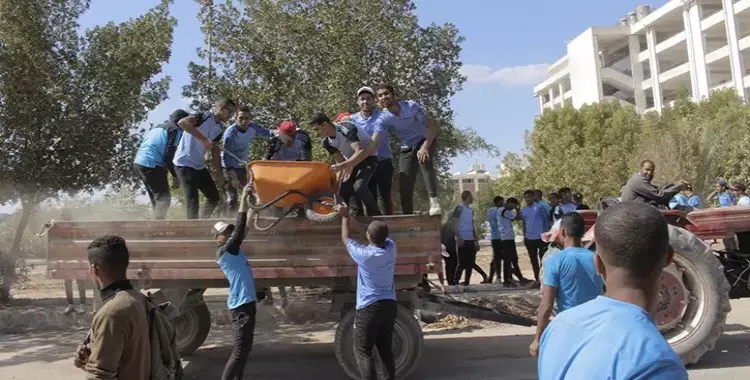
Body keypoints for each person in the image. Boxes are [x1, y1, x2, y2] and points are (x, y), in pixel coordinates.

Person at [537, 202, 688, 379]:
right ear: (669, 258)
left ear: (598, 264)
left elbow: (546, 303)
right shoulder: (657, 364)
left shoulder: (557, 327)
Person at [336, 84, 441, 216]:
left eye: (386, 94)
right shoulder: (383, 118)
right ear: (378, 100)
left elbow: (431, 128)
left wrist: (425, 147)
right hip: (407, 146)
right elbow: (373, 144)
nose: (384, 97)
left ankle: (434, 202)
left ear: (393, 94)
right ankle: (407, 215)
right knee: (405, 183)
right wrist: (351, 163)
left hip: (425, 139)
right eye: (380, 96)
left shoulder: (411, 106)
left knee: (424, 161)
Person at [74, 235, 150, 379]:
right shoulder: (138, 299)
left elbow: (101, 377)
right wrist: (92, 361)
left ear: (94, 269)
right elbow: (130, 358)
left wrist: (96, 368)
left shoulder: (112, 313)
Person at [336, 203, 397, 380]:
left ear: (368, 236)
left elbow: (346, 238)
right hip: (389, 305)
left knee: (363, 351)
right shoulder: (391, 248)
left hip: (370, 308)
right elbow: (372, 234)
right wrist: (347, 215)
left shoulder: (365, 255)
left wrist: (345, 217)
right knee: (385, 349)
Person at [529, 212, 603, 357]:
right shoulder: (597, 259)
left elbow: (546, 305)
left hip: (569, 328)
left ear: (562, 231)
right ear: (583, 233)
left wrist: (537, 339)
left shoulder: (555, 261)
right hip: (596, 327)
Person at [214, 184, 259, 380]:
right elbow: (240, 230)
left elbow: (244, 229)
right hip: (241, 306)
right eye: (226, 232)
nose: (229, 234)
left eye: (229, 231)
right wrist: (242, 199)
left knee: (246, 349)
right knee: (240, 350)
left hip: (247, 303)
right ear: (217, 238)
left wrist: (253, 206)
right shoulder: (225, 251)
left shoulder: (235, 249)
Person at [174, 98, 237, 219]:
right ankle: (192, 232)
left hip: (198, 166)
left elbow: (215, 150)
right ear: (222, 109)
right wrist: (203, 139)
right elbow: (182, 123)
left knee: (213, 197)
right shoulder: (203, 117)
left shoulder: (219, 129)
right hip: (184, 164)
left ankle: (202, 222)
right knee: (193, 200)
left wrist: (219, 172)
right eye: (230, 112)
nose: (231, 116)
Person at [309, 112, 381, 217]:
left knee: (359, 187)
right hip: (350, 161)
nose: (316, 134)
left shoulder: (346, 128)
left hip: (367, 157)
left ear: (325, 124)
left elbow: (359, 151)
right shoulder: (325, 141)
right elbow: (340, 160)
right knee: (343, 190)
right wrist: (338, 179)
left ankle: (376, 214)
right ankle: (354, 215)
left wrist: (344, 166)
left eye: (317, 129)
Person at [133, 109, 189, 219]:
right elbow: (169, 155)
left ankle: (155, 226)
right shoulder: (175, 130)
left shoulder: (158, 127)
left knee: (157, 199)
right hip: (152, 164)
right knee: (164, 198)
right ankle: (156, 230)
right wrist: (175, 175)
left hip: (139, 163)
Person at [221, 105, 271, 216]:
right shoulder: (230, 133)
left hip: (243, 165)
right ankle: (228, 221)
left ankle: (249, 220)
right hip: (229, 167)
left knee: (250, 194)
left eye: (246, 118)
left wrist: (281, 132)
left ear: (250, 119)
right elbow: (226, 156)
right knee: (232, 197)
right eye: (241, 118)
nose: (244, 121)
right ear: (236, 118)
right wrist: (232, 177)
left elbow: (268, 133)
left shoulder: (252, 126)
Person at [351, 87, 394, 215]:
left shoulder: (382, 116)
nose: (365, 101)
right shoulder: (352, 119)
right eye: (362, 99)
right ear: (358, 102)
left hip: (383, 160)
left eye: (368, 99)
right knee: (370, 194)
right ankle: (374, 228)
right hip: (366, 163)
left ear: (374, 101)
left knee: (385, 195)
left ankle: (389, 225)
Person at [450, 191, 487, 288]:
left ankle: (467, 283)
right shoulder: (459, 208)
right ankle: (455, 284)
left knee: (470, 263)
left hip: (470, 239)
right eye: (471, 196)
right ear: (466, 197)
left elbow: (472, 225)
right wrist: (459, 237)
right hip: (462, 239)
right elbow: (453, 223)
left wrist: (476, 241)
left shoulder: (470, 210)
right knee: (461, 263)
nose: (472, 198)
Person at [496, 198, 533, 287]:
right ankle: (507, 280)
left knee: (513, 259)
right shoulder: (504, 211)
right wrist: (518, 209)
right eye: (513, 206)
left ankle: (519, 278)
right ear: (510, 203)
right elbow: (518, 218)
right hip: (506, 239)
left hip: (507, 238)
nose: (513, 208)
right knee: (508, 260)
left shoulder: (502, 210)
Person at [620, 160, 687, 207]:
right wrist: (679, 187)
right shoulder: (638, 180)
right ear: (640, 168)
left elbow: (657, 189)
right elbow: (660, 196)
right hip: (634, 213)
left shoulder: (639, 179)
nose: (649, 173)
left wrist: (675, 185)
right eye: (647, 169)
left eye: (652, 170)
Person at [521, 189, 549, 284]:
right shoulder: (523, 210)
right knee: (533, 260)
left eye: (530, 197)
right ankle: (537, 279)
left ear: (533, 197)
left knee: (543, 258)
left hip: (541, 236)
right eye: (526, 197)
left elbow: (546, 219)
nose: (528, 199)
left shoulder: (540, 207)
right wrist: (524, 236)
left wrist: (547, 233)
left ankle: (544, 278)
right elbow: (524, 223)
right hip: (529, 238)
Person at [486, 196, 505, 283]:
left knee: (496, 257)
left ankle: (492, 277)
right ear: (499, 202)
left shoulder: (489, 211)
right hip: (502, 237)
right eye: (502, 202)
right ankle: (500, 277)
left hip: (494, 237)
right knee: (505, 257)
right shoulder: (501, 211)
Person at [440, 212, 459, 286]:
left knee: (448, 265)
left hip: (445, 249)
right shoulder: (454, 226)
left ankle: (450, 281)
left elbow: (441, 237)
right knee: (454, 265)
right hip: (453, 249)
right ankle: (452, 281)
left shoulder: (444, 226)